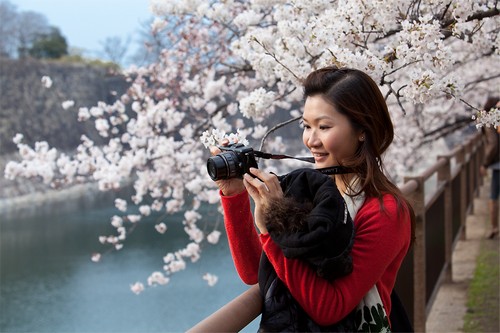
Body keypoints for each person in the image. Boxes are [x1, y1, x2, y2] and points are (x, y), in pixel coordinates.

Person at [210, 66, 415, 332]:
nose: (310, 140)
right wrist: (234, 193)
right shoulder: (308, 191)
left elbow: (331, 307)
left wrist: (274, 219)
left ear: (362, 130)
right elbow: (253, 272)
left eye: (324, 127)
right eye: (306, 126)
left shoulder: (386, 211)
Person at [479, 97, 500, 240]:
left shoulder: (489, 121)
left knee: (493, 197)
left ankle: (494, 227)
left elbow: (492, 144)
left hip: (498, 164)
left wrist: (485, 163)